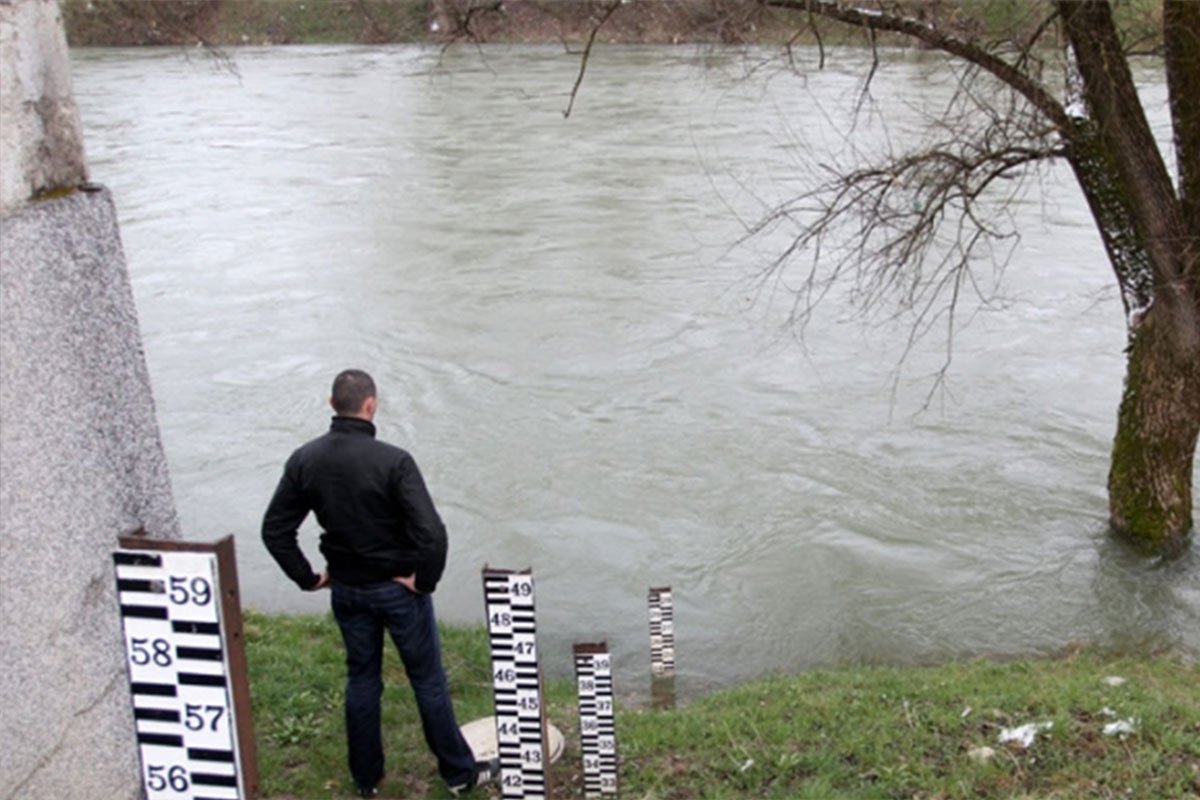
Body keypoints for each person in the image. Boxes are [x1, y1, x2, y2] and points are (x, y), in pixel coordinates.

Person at [262, 369, 499, 798]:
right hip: (398, 591)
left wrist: (309, 577)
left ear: (332, 405)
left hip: (347, 589)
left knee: (362, 679)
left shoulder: (305, 459)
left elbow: (275, 530)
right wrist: (423, 581)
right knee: (427, 680)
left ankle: (366, 779)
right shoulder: (394, 461)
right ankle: (460, 774)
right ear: (371, 405)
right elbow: (432, 533)